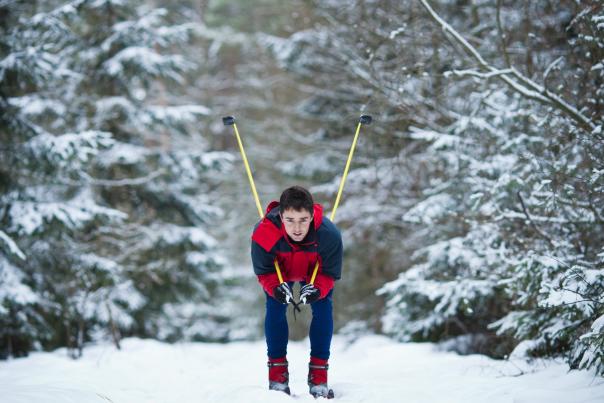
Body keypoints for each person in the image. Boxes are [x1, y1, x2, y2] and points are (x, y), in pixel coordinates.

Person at [251, 185, 342, 398]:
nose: (297, 228)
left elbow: (329, 274)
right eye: (290, 220)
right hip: (279, 271)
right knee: (275, 307)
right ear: (281, 216)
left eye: (303, 220)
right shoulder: (265, 232)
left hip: (314, 270)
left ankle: (319, 374)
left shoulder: (328, 235)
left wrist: (318, 289)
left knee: (323, 307)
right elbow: (264, 272)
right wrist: (275, 287)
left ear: (312, 216)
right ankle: (277, 374)